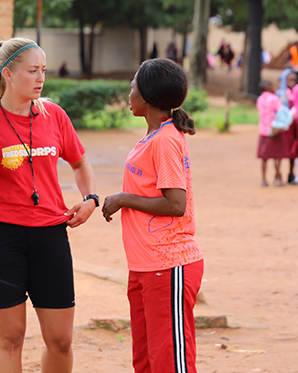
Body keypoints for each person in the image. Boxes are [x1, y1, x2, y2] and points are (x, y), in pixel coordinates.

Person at [0, 37, 97, 373]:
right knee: (11, 338)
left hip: (50, 236)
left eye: (44, 70)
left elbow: (80, 163)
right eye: (32, 71)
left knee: (61, 340)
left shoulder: (54, 115)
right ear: (8, 74)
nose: (41, 78)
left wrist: (90, 199)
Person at [102, 58, 204, 373]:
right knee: (146, 361)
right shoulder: (153, 136)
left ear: (146, 97)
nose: (129, 92)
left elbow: (176, 204)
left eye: (132, 87)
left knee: (170, 363)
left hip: (168, 264)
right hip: (145, 264)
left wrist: (123, 199)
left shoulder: (166, 141)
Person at [256, 80, 291, 187]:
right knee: (277, 157)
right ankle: (277, 179)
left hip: (263, 131)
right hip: (275, 131)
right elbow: (281, 113)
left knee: (264, 158)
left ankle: (263, 180)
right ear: (269, 88)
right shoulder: (275, 99)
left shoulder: (259, 99)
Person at [278, 72, 298, 183]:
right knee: (280, 151)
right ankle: (278, 174)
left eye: (294, 79)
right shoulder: (281, 94)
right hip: (283, 126)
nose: (292, 81)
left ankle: (291, 173)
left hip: (294, 127)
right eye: (289, 79)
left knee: (293, 151)